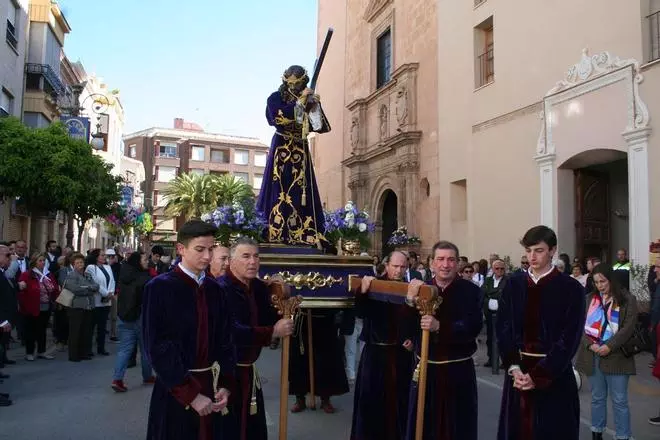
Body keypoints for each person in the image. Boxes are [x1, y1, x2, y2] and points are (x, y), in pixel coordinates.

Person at [142, 220, 235, 440]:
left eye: (211, 249)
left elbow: (226, 340)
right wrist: (190, 395)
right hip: (175, 391)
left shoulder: (216, 290)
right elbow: (155, 346)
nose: (207, 256)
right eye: (200, 249)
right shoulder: (159, 288)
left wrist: (225, 384)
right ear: (181, 249)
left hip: (211, 388)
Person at [496, 225, 586, 440]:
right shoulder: (513, 284)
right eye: (528, 251)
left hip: (554, 376)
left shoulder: (571, 288)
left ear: (552, 250)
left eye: (539, 250)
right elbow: (504, 327)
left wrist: (539, 375)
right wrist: (514, 366)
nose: (532, 257)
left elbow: (570, 337)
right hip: (518, 375)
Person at [405, 241, 483, 440]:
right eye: (440, 259)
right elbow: (407, 327)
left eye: (450, 260)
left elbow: (473, 327)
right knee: (424, 425)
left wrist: (440, 327)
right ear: (432, 263)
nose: (445, 264)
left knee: (456, 427)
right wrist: (409, 301)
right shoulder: (422, 289)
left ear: (457, 263)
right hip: (426, 369)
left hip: (457, 372)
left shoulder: (470, 291)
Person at [218, 237, 293, 440]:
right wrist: (272, 332)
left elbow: (271, 315)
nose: (252, 261)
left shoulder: (258, 287)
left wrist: (280, 293)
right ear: (231, 261)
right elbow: (232, 331)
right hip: (225, 374)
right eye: (246, 256)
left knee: (253, 430)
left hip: (249, 372)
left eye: (256, 256)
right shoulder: (220, 289)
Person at [257, 65, 330, 246]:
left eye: (297, 84)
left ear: (303, 82)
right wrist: (299, 103)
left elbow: (320, 126)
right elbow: (278, 117)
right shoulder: (275, 98)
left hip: (300, 147)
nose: (293, 87)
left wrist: (313, 106)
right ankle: (274, 232)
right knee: (277, 187)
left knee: (301, 189)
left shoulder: (308, 98)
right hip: (281, 147)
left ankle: (304, 232)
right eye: (290, 83)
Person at [351, 251, 416, 440]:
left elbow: (414, 321)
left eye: (403, 267)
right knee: (371, 403)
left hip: (400, 355)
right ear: (386, 266)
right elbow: (361, 312)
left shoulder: (410, 287)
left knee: (399, 403)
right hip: (375, 353)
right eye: (395, 266)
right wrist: (362, 292)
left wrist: (412, 339)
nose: (399, 270)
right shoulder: (374, 284)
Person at [575, 264, 637, 440]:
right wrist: (590, 345)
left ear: (612, 280)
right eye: (596, 282)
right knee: (597, 397)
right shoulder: (589, 299)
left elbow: (628, 327)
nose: (600, 285)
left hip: (617, 357)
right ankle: (597, 432)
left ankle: (623, 436)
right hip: (593, 355)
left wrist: (610, 346)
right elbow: (579, 326)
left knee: (620, 400)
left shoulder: (627, 299)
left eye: (603, 281)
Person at [289, 307, 349, 414]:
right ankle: (300, 398)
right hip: (304, 318)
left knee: (326, 360)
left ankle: (325, 398)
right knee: (300, 360)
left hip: (325, 319)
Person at [111, 251, 154, 392]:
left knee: (124, 349)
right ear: (137, 261)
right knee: (146, 349)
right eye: (145, 259)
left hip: (124, 316)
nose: (147, 261)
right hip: (141, 317)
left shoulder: (124, 275)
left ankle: (117, 379)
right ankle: (147, 376)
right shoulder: (144, 277)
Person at [18, 253, 59, 361]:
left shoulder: (48, 274)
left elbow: (55, 287)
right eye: (40, 261)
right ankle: (29, 352)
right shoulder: (27, 274)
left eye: (44, 261)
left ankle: (42, 351)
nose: (42, 263)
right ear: (34, 262)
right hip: (32, 306)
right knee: (31, 330)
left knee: (42, 330)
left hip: (45, 306)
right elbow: (22, 291)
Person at [64, 253, 97, 362]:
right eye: (77, 263)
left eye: (81, 262)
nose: (80, 264)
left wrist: (87, 287)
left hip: (88, 306)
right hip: (76, 307)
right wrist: (88, 288)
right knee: (75, 331)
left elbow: (96, 286)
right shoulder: (71, 275)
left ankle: (84, 353)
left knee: (86, 331)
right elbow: (75, 289)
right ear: (73, 265)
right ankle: (74, 355)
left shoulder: (87, 275)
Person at [85, 249, 115, 356]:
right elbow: (95, 283)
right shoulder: (90, 268)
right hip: (96, 301)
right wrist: (106, 294)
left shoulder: (108, 267)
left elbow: (112, 281)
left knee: (102, 327)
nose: (104, 257)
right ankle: (88, 349)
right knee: (91, 326)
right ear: (96, 257)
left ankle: (101, 348)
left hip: (106, 302)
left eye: (104, 255)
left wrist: (110, 293)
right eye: (102, 255)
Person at [482, 259, 507, 368]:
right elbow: (482, 294)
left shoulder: (508, 280)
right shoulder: (487, 281)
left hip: (503, 314)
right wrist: (489, 301)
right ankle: (491, 359)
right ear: (492, 269)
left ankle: (504, 359)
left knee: (503, 337)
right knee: (490, 337)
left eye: (502, 268)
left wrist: (494, 298)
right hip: (489, 313)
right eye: (497, 268)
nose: (500, 270)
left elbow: (506, 296)